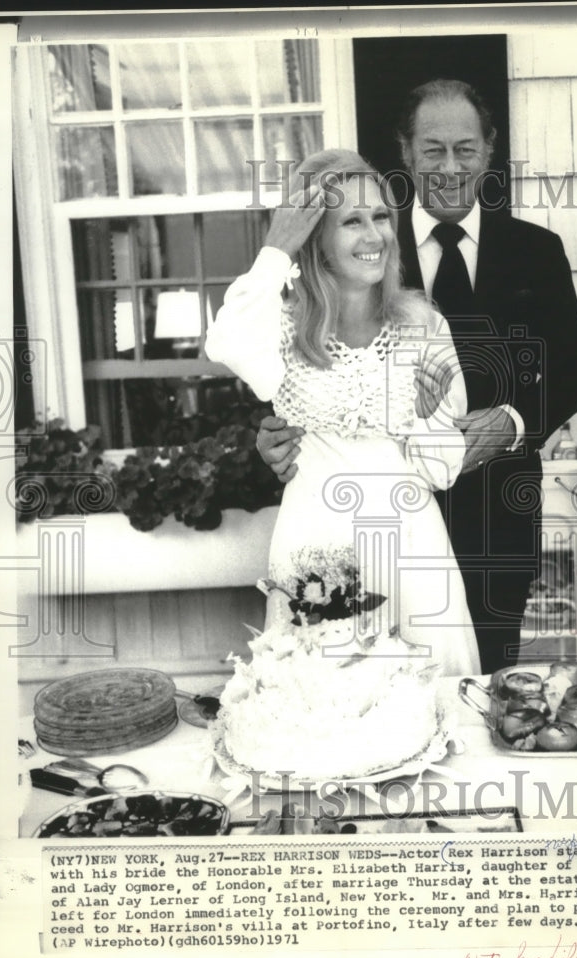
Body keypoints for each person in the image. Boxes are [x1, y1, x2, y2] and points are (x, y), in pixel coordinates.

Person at [258, 80, 577, 674]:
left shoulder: (536, 251)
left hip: (495, 508)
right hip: (367, 523)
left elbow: (575, 369)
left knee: (475, 681)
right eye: (433, 149)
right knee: (352, 679)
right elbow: (293, 352)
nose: (450, 166)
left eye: (465, 148)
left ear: (489, 151)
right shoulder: (361, 243)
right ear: (406, 153)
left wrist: (513, 422)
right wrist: (272, 436)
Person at [206, 148, 480, 677]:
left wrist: (425, 417)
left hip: (413, 548)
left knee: (429, 711)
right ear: (316, 242)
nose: (374, 235)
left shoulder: (423, 326)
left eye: (380, 217)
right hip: (317, 548)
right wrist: (276, 249)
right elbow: (227, 343)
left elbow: (443, 470)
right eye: (352, 221)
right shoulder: (283, 330)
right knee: (325, 717)